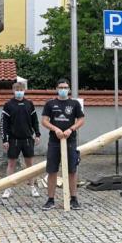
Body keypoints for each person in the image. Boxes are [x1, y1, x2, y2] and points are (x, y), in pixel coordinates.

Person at [41, 78, 85, 210]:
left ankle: (74, 199)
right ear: (57, 89)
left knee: (72, 171)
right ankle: (50, 200)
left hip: (70, 141)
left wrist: (71, 129)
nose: (63, 90)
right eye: (61, 87)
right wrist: (55, 129)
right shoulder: (50, 104)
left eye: (65, 88)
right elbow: (44, 121)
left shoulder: (74, 104)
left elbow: (81, 120)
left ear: (69, 89)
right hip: (54, 141)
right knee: (52, 171)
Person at [0, 82, 42, 199]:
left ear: (24, 90)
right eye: (17, 90)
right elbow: (3, 124)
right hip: (13, 139)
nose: (19, 92)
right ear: (13, 91)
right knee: (11, 164)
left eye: (21, 89)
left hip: (28, 139)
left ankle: (32, 187)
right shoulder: (8, 105)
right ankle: (8, 188)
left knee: (30, 165)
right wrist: (4, 139)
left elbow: (35, 121)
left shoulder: (29, 104)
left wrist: (37, 134)